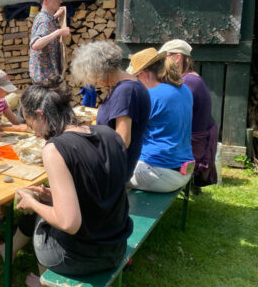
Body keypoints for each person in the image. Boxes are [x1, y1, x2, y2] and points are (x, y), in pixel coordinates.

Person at [0, 81, 132, 287]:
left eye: (31, 124)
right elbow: (99, 186)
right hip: (117, 247)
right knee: (47, 205)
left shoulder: (55, 148)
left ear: (41, 115)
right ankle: (15, 254)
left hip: (83, 258)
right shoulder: (109, 134)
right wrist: (52, 196)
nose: (34, 133)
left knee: (39, 218)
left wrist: (33, 203)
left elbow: (69, 223)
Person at [71, 41, 151, 179]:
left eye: (93, 75)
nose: (93, 81)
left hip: (113, 169)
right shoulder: (121, 86)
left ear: (101, 70)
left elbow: (122, 140)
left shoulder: (126, 91)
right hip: (112, 163)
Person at [127, 48, 195, 193]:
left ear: (144, 74)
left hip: (158, 173)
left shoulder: (151, 95)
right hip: (184, 172)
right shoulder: (184, 89)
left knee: (102, 174)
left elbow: (127, 134)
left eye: (137, 77)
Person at [159, 39, 218, 193]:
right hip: (195, 139)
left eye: (164, 57)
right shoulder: (191, 78)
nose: (161, 63)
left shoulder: (188, 82)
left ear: (177, 57)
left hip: (193, 145)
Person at [29, 0, 70, 84]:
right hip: (45, 80)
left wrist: (55, 16)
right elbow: (35, 45)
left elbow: (46, 28)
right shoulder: (44, 20)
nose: (61, 1)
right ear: (46, 0)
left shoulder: (46, 17)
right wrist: (59, 32)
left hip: (47, 78)